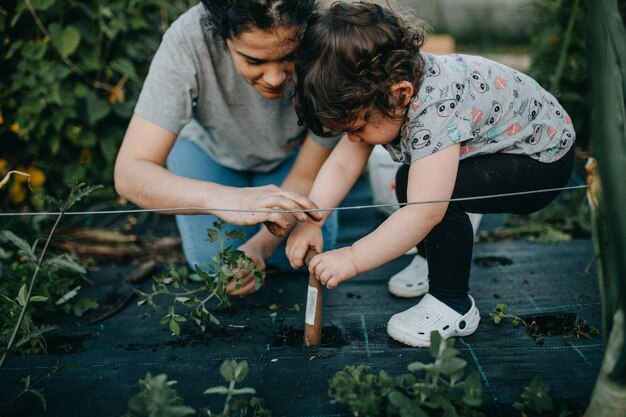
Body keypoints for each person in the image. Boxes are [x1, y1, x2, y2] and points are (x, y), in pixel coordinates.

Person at [286, 1, 575, 347]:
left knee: (438, 200)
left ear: (401, 94)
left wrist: (353, 257)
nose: (353, 139)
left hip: (540, 161)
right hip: (505, 148)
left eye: (358, 128)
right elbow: (344, 163)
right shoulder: (382, 94)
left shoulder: (436, 107)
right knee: (410, 182)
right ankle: (433, 262)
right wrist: (312, 220)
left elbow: (426, 212)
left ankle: (453, 305)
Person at [114, 0, 340, 297]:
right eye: (254, 61)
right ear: (223, 39)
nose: (275, 79)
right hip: (209, 150)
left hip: (293, 156)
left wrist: (260, 245)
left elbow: (307, 173)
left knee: (298, 256)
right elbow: (129, 172)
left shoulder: (330, 32)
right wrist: (224, 199)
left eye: (290, 56)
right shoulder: (188, 38)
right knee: (217, 264)